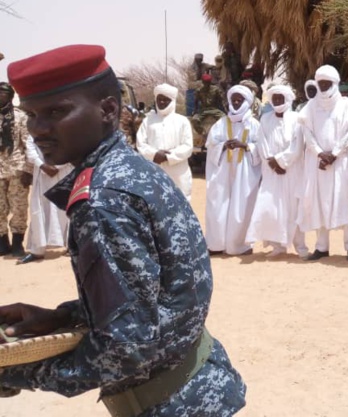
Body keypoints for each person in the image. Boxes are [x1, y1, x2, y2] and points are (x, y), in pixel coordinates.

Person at [0, 44, 246, 414]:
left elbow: (126, 348)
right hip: (199, 387)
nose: (38, 129)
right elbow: (152, 296)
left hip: (168, 404)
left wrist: (18, 372)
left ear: (108, 110)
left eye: (56, 112)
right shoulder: (129, 168)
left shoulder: (102, 200)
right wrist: (63, 318)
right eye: (32, 114)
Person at [297, 65, 348, 262]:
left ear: (335, 83)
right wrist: (319, 153)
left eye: (327, 83)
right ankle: (321, 247)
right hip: (318, 164)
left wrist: (334, 154)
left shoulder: (346, 105)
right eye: (321, 84)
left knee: (346, 202)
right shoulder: (311, 106)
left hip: (341, 163)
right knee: (319, 203)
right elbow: (307, 133)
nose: (324, 87)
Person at [245, 85, 308, 258]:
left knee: (294, 208)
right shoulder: (265, 119)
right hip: (271, 171)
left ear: (287, 99)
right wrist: (271, 162)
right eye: (275, 98)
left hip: (292, 171)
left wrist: (281, 161)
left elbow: (297, 145)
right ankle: (277, 246)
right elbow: (261, 142)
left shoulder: (296, 119)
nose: (278, 101)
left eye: (281, 98)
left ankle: (301, 247)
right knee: (272, 208)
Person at [204, 85, 262, 256]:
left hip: (245, 172)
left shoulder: (254, 124)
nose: (236, 103)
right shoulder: (221, 123)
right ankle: (216, 244)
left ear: (247, 102)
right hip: (223, 170)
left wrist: (245, 146)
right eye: (233, 100)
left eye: (239, 100)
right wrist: (223, 145)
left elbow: (261, 147)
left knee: (241, 207)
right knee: (217, 205)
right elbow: (210, 145)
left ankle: (238, 245)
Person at [18, 135, 73, 264]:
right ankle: (37, 250)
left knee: (67, 209)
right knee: (39, 210)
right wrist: (42, 165)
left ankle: (71, 246)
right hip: (42, 173)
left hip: (64, 171)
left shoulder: (66, 126)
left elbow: (72, 147)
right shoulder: (36, 127)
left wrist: (57, 166)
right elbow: (30, 148)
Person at [136, 84, 194, 201]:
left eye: (165, 99)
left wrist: (168, 156)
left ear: (172, 100)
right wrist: (154, 154)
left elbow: (188, 146)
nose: (162, 102)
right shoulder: (148, 121)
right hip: (153, 169)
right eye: (159, 99)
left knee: (179, 202)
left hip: (178, 173)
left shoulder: (182, 121)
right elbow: (141, 144)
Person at [0, 82, 30, 257]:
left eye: (4, 93)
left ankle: (18, 243)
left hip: (17, 167)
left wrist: (28, 170)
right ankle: (3, 243)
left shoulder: (21, 117)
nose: (0, 96)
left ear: (10, 96)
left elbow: (28, 144)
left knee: (19, 207)